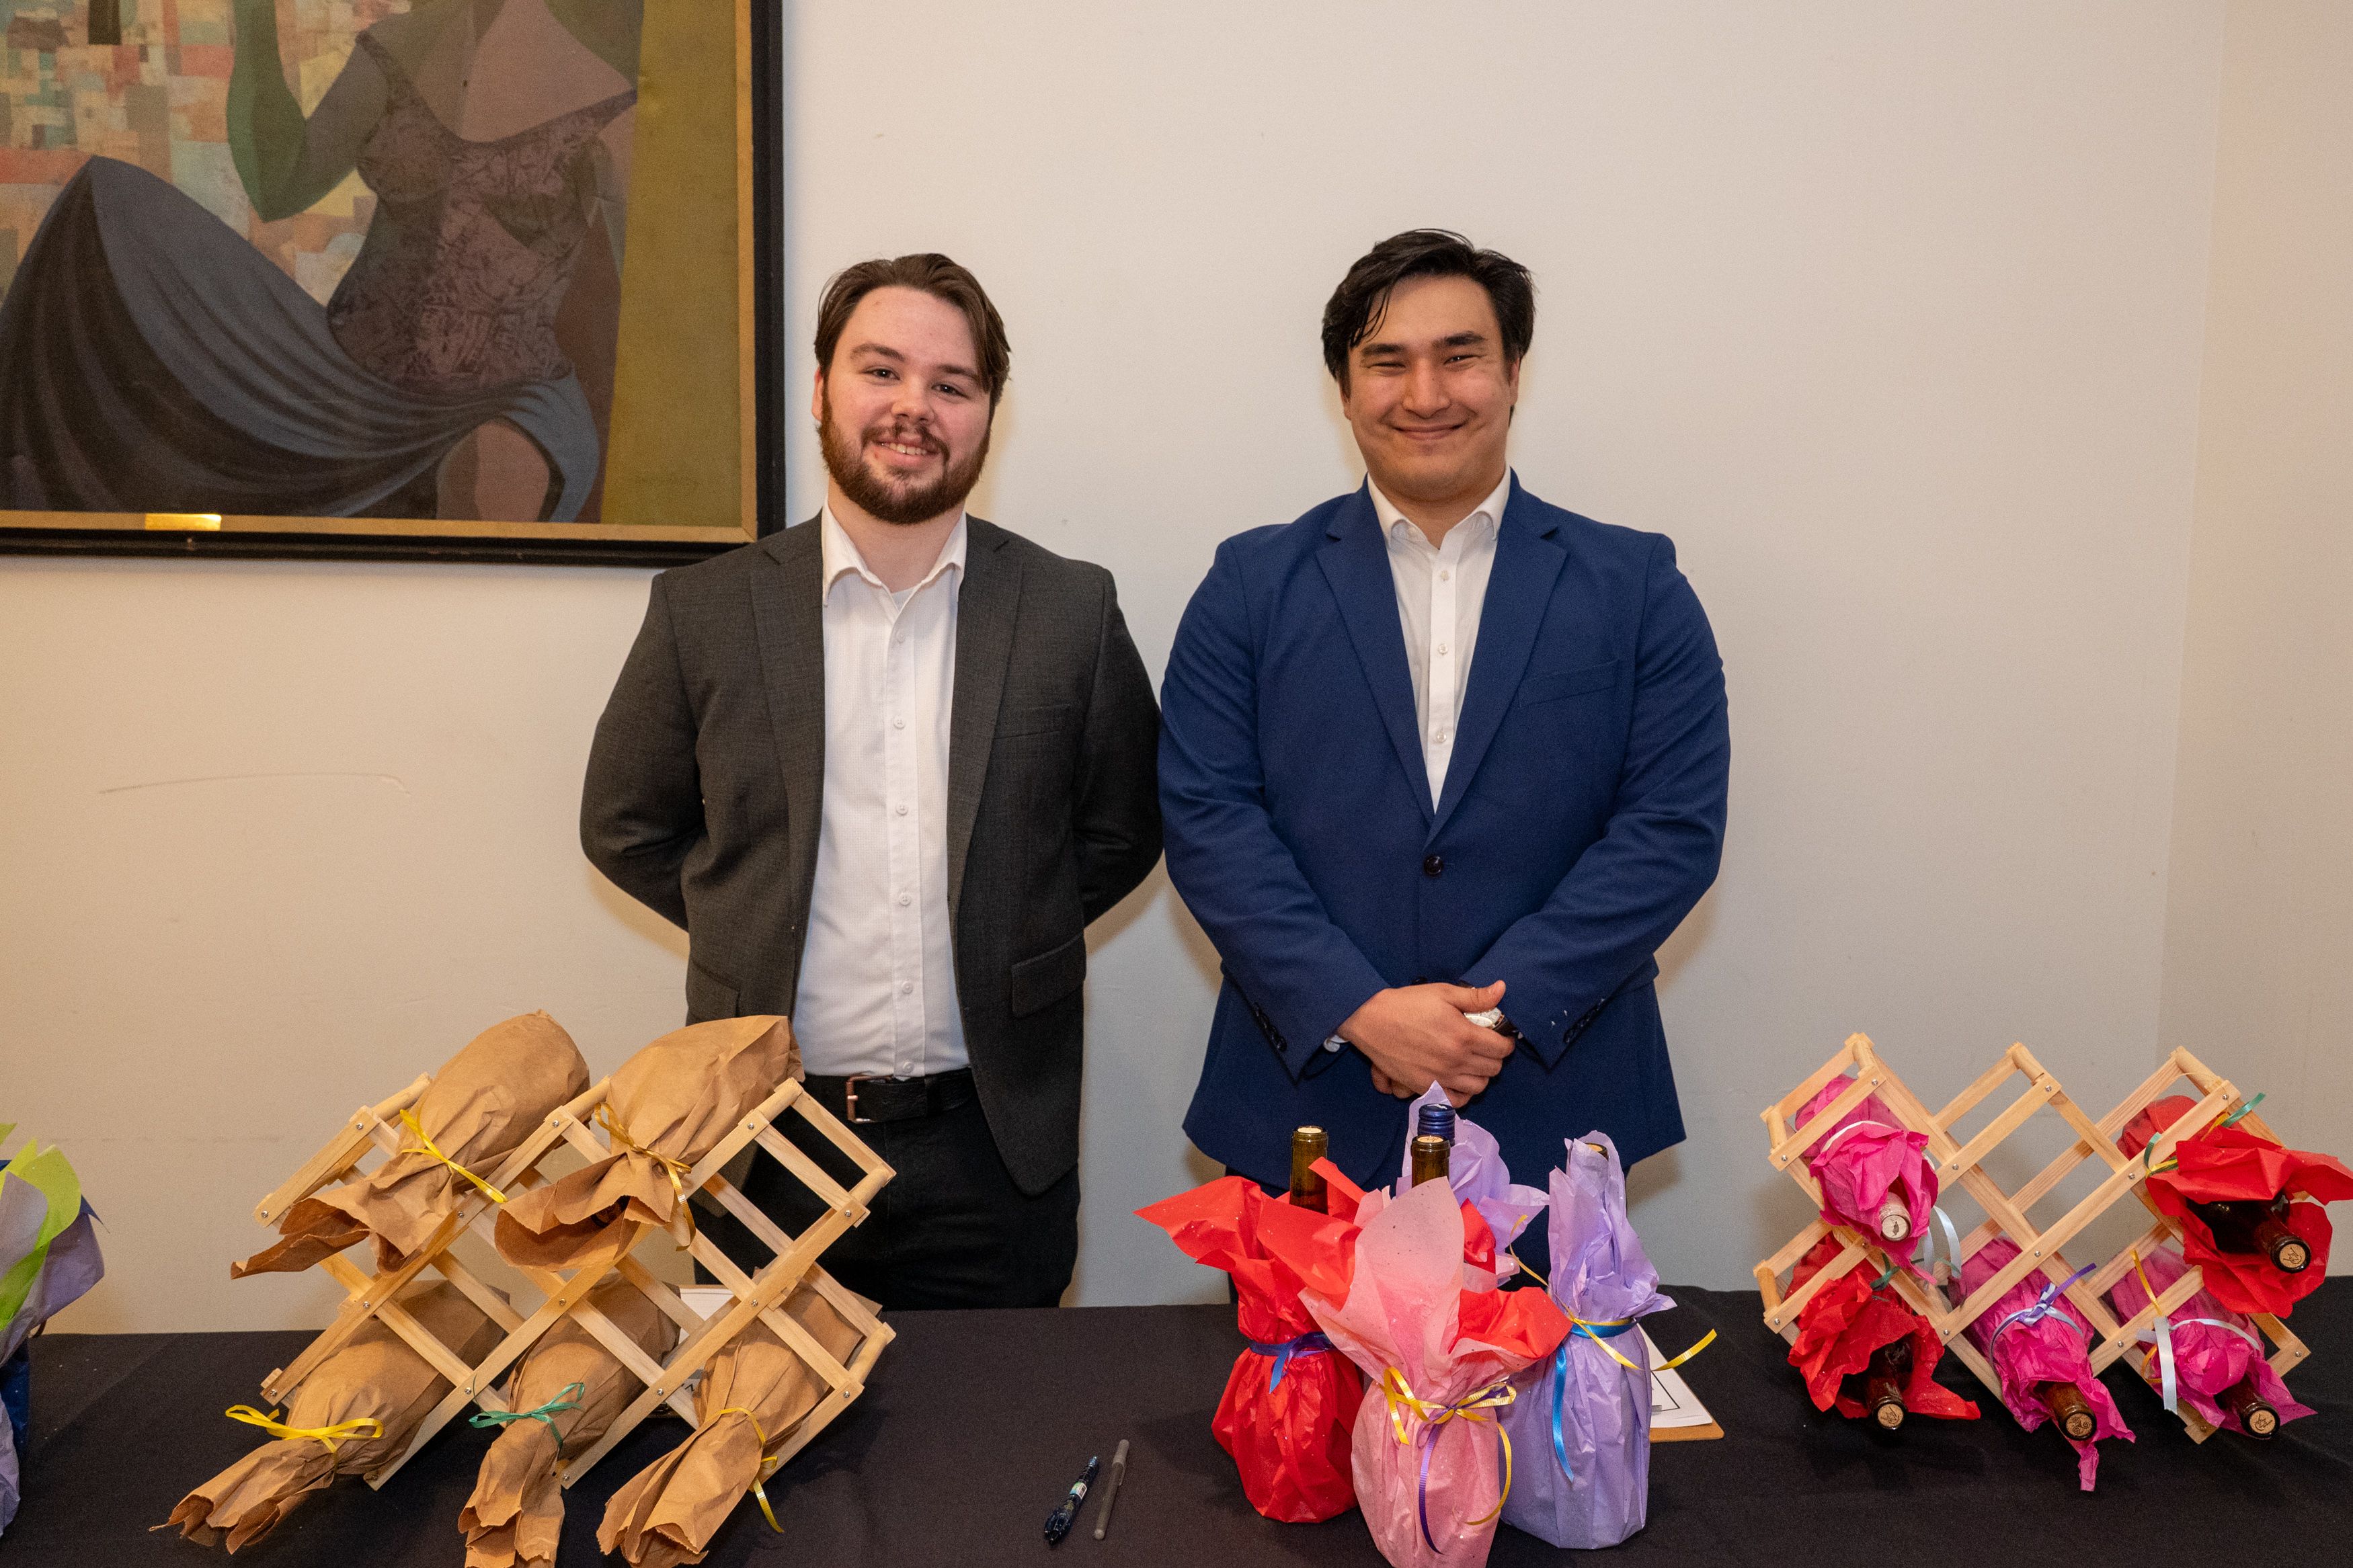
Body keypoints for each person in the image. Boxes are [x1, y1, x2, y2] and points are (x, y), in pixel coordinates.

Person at [582, 253, 1162, 1309]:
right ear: (820, 390)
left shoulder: (1069, 611)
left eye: (952, 384)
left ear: (989, 415)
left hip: (994, 1151)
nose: (914, 408)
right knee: (760, 1453)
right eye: (880, 371)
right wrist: (748, 918)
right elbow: (623, 827)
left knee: (993, 1450)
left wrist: (1008, 917)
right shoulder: (704, 613)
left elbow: (1124, 830)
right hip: (766, 1144)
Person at [1159, 231, 1728, 1270]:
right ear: (1344, 389)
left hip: (1553, 1105)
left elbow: (1670, 832)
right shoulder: (1248, 586)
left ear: (1514, 374)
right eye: (1387, 361)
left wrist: (1484, 1025)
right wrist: (1361, 1010)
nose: (1426, 392)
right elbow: (1209, 822)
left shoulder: (1638, 585)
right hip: (1308, 1111)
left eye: (1460, 355)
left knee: (1548, 1433)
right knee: (1306, 1430)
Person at [0, 0, 639, 521]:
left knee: (493, 472)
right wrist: (254, 24)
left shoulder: (613, 97)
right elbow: (279, 186)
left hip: (506, 397)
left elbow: (654, 301)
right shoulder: (396, 46)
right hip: (338, 380)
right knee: (106, 200)